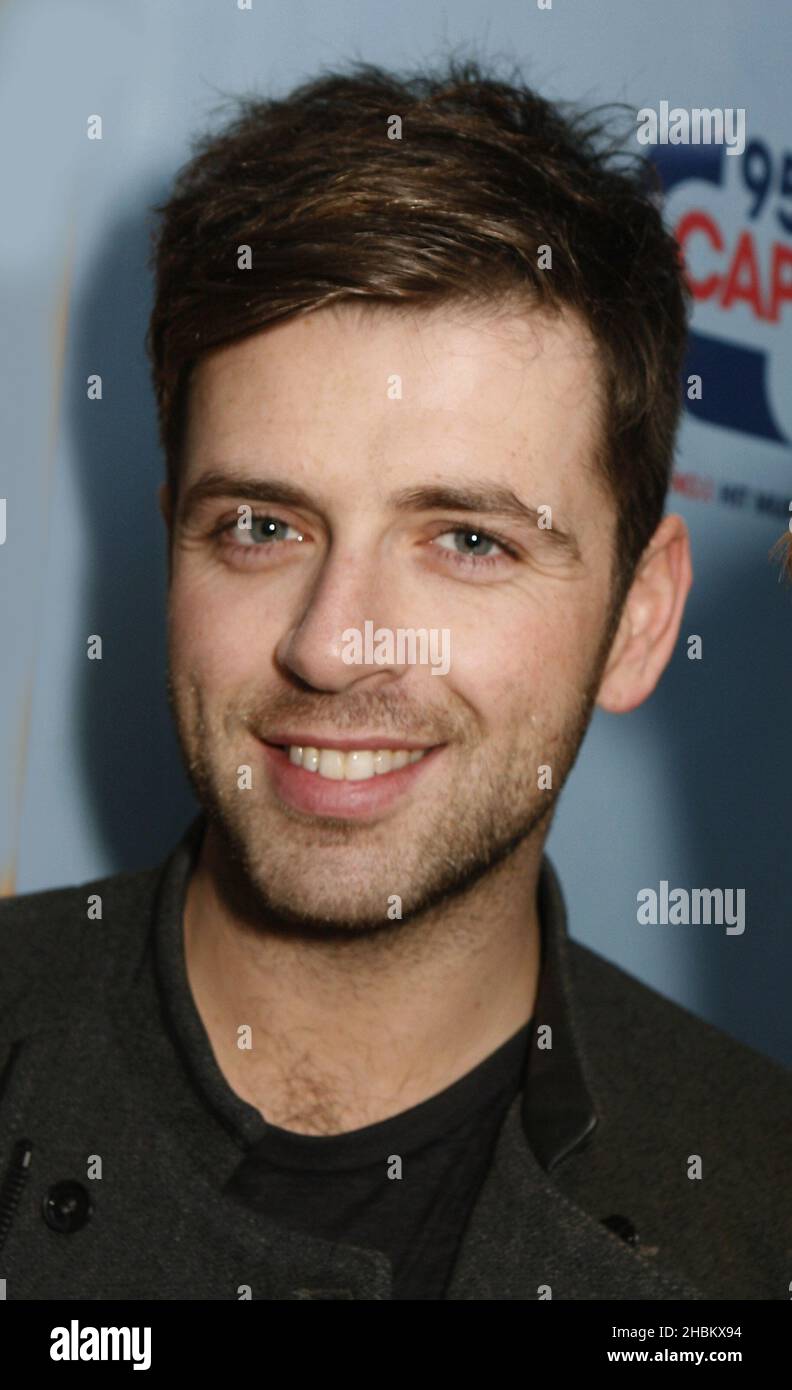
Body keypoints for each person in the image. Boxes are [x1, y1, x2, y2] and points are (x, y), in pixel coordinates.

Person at [1, 59, 789, 1302]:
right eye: (262, 526)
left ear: (640, 621)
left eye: (469, 541)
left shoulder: (760, 1201)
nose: (332, 645)